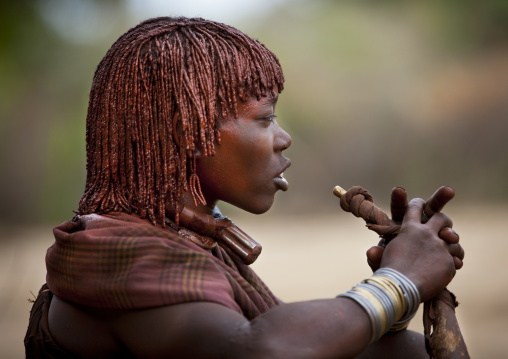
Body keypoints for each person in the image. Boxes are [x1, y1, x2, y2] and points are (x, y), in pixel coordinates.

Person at [25, 17, 465, 358]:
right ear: (187, 130)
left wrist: (411, 283)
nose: (283, 137)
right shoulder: (119, 252)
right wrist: (400, 279)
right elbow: (258, 350)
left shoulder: (187, 240)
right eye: (266, 117)